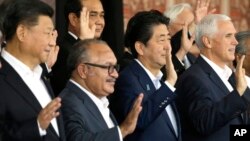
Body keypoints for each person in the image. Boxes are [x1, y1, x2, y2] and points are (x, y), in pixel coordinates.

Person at [175, 14, 250, 141]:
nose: (235, 42)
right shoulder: (193, 78)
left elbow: (239, 124)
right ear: (208, 41)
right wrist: (237, 93)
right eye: (228, 36)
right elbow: (204, 123)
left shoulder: (231, 75)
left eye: (234, 35)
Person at [109, 10, 181, 141]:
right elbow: (139, 120)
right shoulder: (127, 79)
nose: (168, 46)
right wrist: (170, 82)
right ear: (140, 48)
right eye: (161, 40)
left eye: (168, 39)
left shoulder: (161, 79)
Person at [0, 0, 66, 140]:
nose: (52, 42)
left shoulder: (40, 75)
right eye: (47, 33)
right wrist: (37, 126)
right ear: (22, 33)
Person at [59, 39, 143, 141]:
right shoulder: (67, 103)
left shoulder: (99, 99)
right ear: (83, 71)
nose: (115, 74)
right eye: (108, 67)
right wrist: (123, 130)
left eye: (115, 67)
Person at [51, 0, 105, 95]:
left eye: (101, 15)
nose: (100, 22)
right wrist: (85, 43)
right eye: (93, 15)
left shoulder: (100, 47)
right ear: (74, 19)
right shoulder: (62, 50)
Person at [164, 0, 216, 76]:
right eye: (185, 25)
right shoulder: (163, 51)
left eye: (191, 26)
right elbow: (177, 41)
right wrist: (195, 23)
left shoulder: (192, 58)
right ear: (169, 26)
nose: (190, 31)